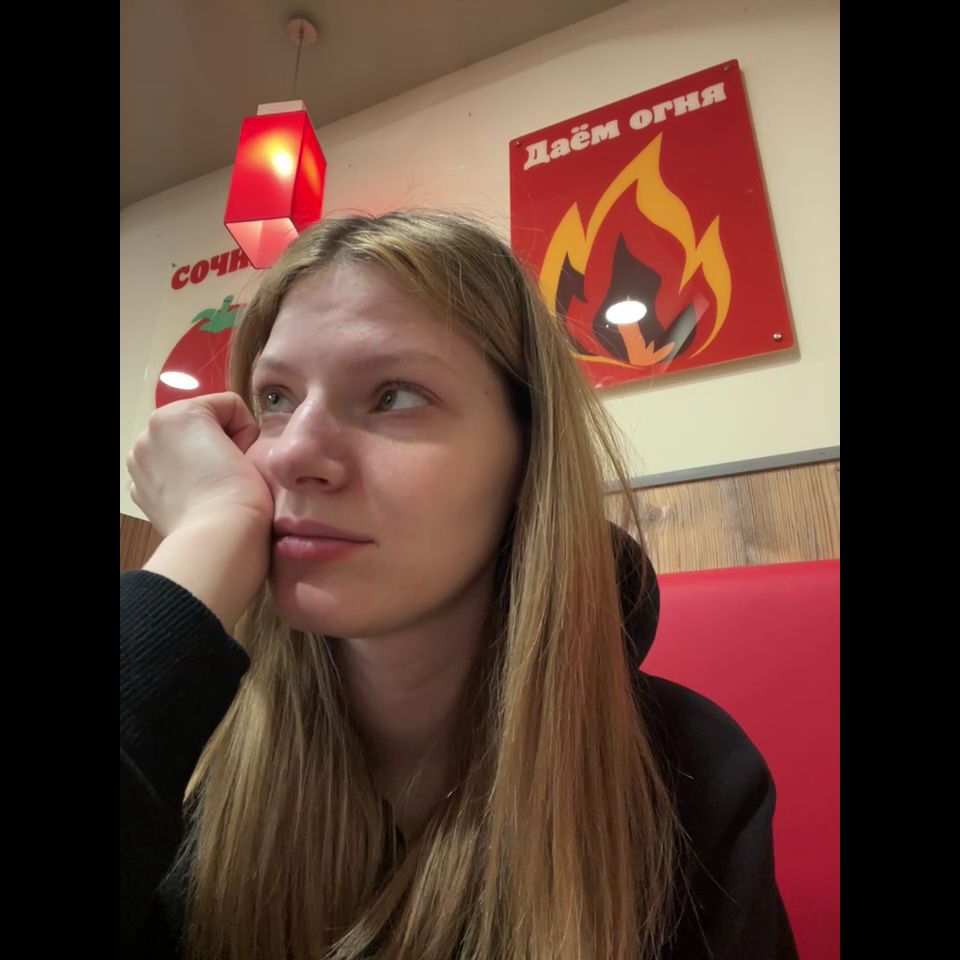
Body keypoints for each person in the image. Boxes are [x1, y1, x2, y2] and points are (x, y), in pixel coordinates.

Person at [121, 210, 798, 960]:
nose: (291, 455)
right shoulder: (186, 740)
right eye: (276, 399)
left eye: (395, 395)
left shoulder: (692, 778)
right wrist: (199, 551)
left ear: (527, 457)